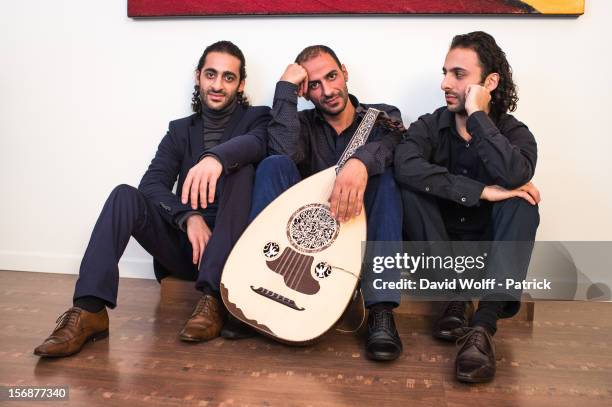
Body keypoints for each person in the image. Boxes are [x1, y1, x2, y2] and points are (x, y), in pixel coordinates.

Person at [33, 41, 271, 357]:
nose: (217, 85)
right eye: (211, 74)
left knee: (242, 173)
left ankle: (214, 299)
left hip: (232, 252)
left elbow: (257, 144)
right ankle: (90, 310)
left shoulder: (258, 119)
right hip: (188, 248)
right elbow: (152, 184)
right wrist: (189, 217)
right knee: (124, 196)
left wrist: (216, 158)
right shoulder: (179, 131)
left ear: (240, 84)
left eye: (228, 77)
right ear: (198, 76)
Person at [394, 31, 540, 382]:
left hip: (486, 256)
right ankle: (453, 295)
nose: (445, 83)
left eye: (459, 75)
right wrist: (481, 191)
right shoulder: (430, 125)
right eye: (445, 72)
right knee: (408, 188)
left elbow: (515, 173)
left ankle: (482, 328)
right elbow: (405, 164)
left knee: (522, 204)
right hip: (434, 254)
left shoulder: (514, 133)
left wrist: (477, 114)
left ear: (488, 82)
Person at [250, 45, 405, 361]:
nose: (328, 90)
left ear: (345, 73)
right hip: (305, 248)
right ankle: (258, 289)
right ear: (306, 92)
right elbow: (281, 152)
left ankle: (381, 311)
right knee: (273, 165)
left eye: (332, 76)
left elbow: (393, 145)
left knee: (387, 179)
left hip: (358, 238)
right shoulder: (301, 124)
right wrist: (285, 88)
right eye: (315, 84)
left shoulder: (381, 116)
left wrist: (360, 162)